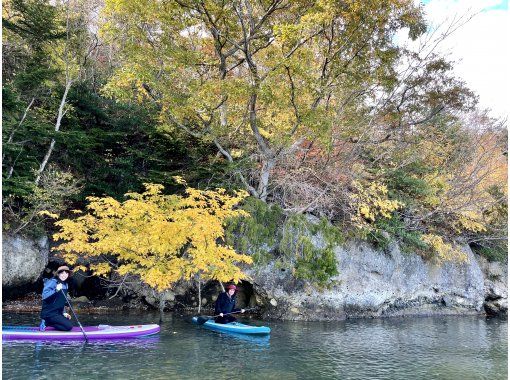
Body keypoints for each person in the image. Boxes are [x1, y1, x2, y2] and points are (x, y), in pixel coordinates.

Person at [40, 265, 73, 331]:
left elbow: (61, 300)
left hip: (58, 312)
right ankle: (46, 321)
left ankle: (47, 323)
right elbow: (44, 296)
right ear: (58, 274)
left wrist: (64, 313)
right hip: (49, 313)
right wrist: (56, 290)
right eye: (62, 273)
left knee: (67, 322)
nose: (64, 275)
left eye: (66, 273)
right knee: (69, 326)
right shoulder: (53, 281)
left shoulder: (65, 285)